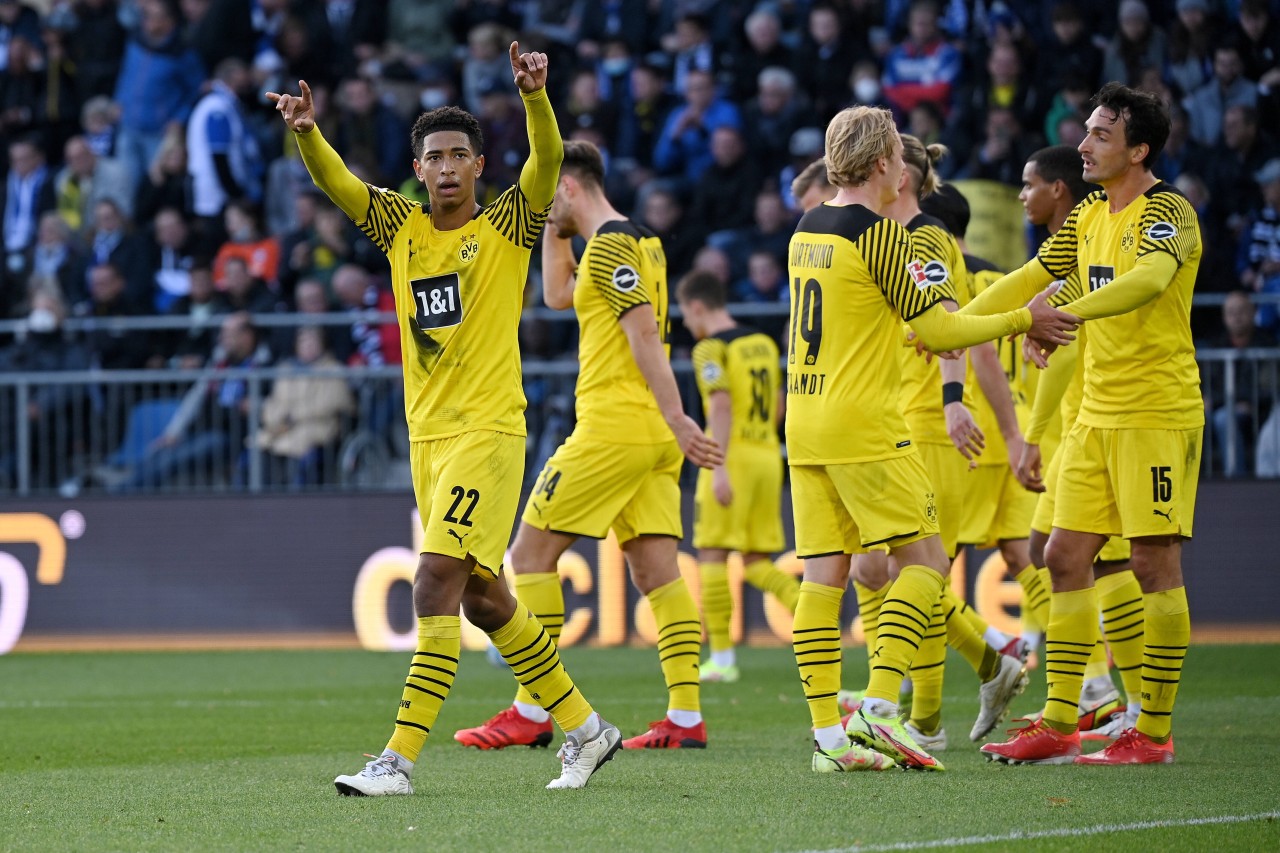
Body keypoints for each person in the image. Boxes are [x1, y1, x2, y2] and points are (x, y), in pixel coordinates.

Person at [269, 43, 621, 795]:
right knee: (487, 599)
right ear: (420, 169)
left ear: (480, 166)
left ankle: (395, 760)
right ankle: (589, 729)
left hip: (489, 433)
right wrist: (307, 133)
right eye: (437, 156)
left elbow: (550, 158)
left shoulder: (507, 227)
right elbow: (339, 185)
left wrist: (535, 98)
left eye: (462, 154)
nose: (450, 166)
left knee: (433, 584)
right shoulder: (399, 226)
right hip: (428, 440)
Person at [784, 105, 1075, 774]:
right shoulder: (881, 237)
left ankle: (830, 735)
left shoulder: (808, 228)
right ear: (886, 163)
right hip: (864, 423)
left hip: (805, 421)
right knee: (925, 562)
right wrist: (1022, 317)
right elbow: (942, 333)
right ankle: (881, 711)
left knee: (824, 574)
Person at [453, 139, 721, 752]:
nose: (543, 213)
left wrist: (681, 416)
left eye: (549, 201)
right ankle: (685, 717)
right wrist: (555, 230)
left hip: (614, 427)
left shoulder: (607, 250)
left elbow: (644, 334)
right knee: (658, 571)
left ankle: (532, 710)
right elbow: (554, 296)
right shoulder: (640, 241)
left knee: (529, 555)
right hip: (648, 436)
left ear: (569, 187)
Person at [967, 83, 1202, 766]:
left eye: (1102, 134)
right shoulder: (1091, 213)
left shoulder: (1169, 211)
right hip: (1096, 413)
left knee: (1155, 564)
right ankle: (1063, 721)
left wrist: (1070, 312)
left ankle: (1151, 733)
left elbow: (1149, 282)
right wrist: (952, 326)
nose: (1085, 144)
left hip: (1155, 412)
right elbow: (1030, 275)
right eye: (1087, 131)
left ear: (1139, 148)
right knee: (1063, 557)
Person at [842, 138, 1029, 756]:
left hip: (925, 428)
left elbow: (958, 337)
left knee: (910, 571)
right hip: (884, 423)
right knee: (883, 570)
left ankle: (922, 716)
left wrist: (955, 403)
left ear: (904, 180)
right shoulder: (876, 240)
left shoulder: (928, 241)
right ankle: (985, 661)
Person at [1008, 145, 1146, 740]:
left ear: (1057, 190)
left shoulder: (1090, 241)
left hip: (1096, 422)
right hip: (1078, 424)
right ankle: (1092, 688)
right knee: (1054, 553)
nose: (1021, 194)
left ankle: (1127, 702)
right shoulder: (1068, 245)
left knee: (1104, 559)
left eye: (1029, 183)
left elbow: (1061, 353)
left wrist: (1034, 436)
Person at [675, 269, 799, 683]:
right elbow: (779, 402)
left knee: (710, 552)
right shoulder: (761, 343)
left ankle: (723, 660)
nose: (686, 324)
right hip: (767, 454)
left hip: (729, 455)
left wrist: (720, 465)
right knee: (755, 561)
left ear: (697, 307)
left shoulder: (709, 350)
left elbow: (721, 406)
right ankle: (811, 615)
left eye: (686, 314)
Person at [249, 326, 355, 486]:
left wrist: (295, 415)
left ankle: (296, 502)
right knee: (255, 452)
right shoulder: (285, 369)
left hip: (317, 428)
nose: (308, 346)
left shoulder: (333, 369)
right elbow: (275, 401)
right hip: (284, 428)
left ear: (322, 344)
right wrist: (275, 418)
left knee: (297, 456)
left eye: (313, 342)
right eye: (304, 342)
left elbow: (333, 401)